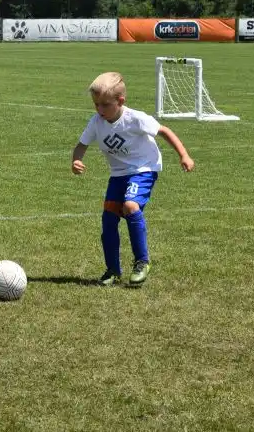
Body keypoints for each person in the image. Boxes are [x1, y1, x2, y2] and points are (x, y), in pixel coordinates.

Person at [71, 71, 194, 286]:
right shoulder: (96, 122)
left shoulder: (135, 118)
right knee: (109, 217)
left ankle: (142, 262)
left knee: (130, 206)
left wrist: (184, 155)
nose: (99, 110)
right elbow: (81, 145)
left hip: (144, 168)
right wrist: (76, 160)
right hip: (118, 174)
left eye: (105, 105)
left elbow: (164, 131)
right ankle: (112, 270)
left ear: (120, 101)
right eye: (96, 104)